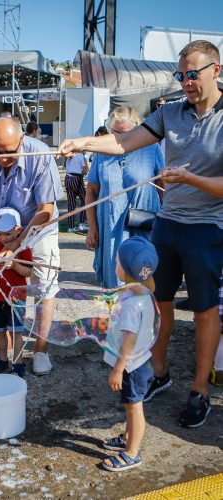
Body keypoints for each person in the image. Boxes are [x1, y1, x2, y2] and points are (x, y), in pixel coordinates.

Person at [57, 40, 223, 428]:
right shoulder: (170, 114)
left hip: (209, 228)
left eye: (191, 75)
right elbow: (124, 141)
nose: (185, 82)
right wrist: (82, 142)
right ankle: (159, 373)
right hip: (167, 223)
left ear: (216, 70)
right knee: (157, 303)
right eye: (180, 75)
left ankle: (200, 390)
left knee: (204, 312)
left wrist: (190, 178)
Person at [0, 116, 64, 375]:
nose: (1, 159)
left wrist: (19, 242)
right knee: (2, 284)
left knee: (44, 285)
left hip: (37, 229)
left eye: (8, 153)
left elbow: (46, 210)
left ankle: (40, 350)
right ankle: (4, 348)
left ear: (21, 140)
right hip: (0, 228)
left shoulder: (39, 153)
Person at [85, 107, 164, 289]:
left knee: (143, 282)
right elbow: (91, 191)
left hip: (144, 228)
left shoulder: (151, 149)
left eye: (125, 133)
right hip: (110, 228)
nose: (120, 139)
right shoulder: (102, 152)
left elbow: (163, 187)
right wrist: (92, 227)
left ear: (138, 130)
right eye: (115, 133)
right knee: (115, 284)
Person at [101, 237, 158, 472]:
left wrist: (118, 369)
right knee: (129, 405)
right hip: (140, 363)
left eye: (117, 262)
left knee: (135, 408)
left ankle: (132, 453)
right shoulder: (142, 292)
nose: (115, 266)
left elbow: (128, 340)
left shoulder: (132, 305)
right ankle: (127, 438)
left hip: (131, 367)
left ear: (126, 270)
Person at [0, 208, 32, 378]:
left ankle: (18, 362)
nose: (3, 238)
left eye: (8, 234)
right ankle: (3, 360)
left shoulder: (22, 248)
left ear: (18, 230)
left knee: (16, 332)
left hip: (16, 297)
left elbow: (29, 272)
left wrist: (16, 266)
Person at [64, 153, 89, 233]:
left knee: (71, 203)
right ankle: (81, 224)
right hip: (77, 179)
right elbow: (85, 171)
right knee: (85, 201)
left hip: (67, 178)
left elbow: (65, 167)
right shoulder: (80, 155)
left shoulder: (67, 157)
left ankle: (71, 227)